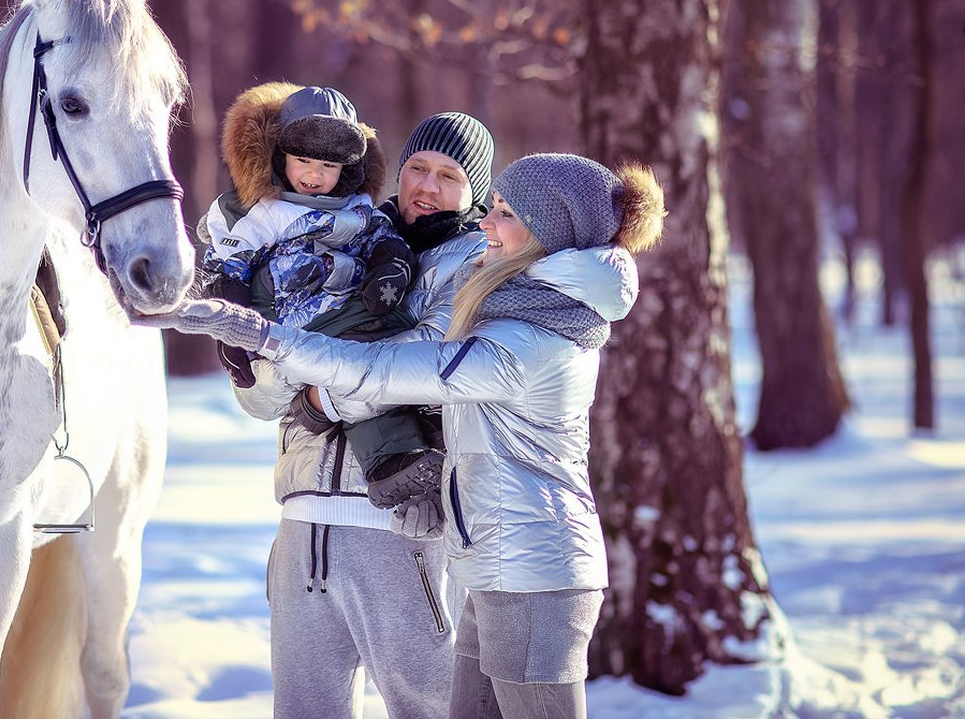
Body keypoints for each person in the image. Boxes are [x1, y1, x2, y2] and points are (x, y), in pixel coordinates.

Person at [142, 152, 666, 719]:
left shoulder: (527, 341)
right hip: (495, 563)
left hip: (533, 571)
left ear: (546, 234)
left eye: (505, 213)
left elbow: (386, 372)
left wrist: (262, 333)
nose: (488, 223)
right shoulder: (512, 313)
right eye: (491, 209)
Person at [222, 111, 497, 719]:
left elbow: (428, 358)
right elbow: (262, 401)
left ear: (474, 190)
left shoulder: (477, 263)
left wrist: (322, 395)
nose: (426, 186)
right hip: (301, 530)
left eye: (448, 175)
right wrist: (256, 349)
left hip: (401, 531)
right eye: (417, 168)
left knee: (426, 709)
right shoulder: (339, 235)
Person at [200, 83, 439, 507]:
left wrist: (391, 270)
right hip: (297, 319)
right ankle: (390, 457)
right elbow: (230, 264)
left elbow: (384, 239)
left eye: (328, 165)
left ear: (347, 169)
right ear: (280, 158)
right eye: (303, 161)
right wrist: (231, 326)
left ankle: (393, 463)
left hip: (358, 312)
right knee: (354, 370)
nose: (314, 175)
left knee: (369, 371)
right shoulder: (262, 209)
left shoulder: (356, 207)